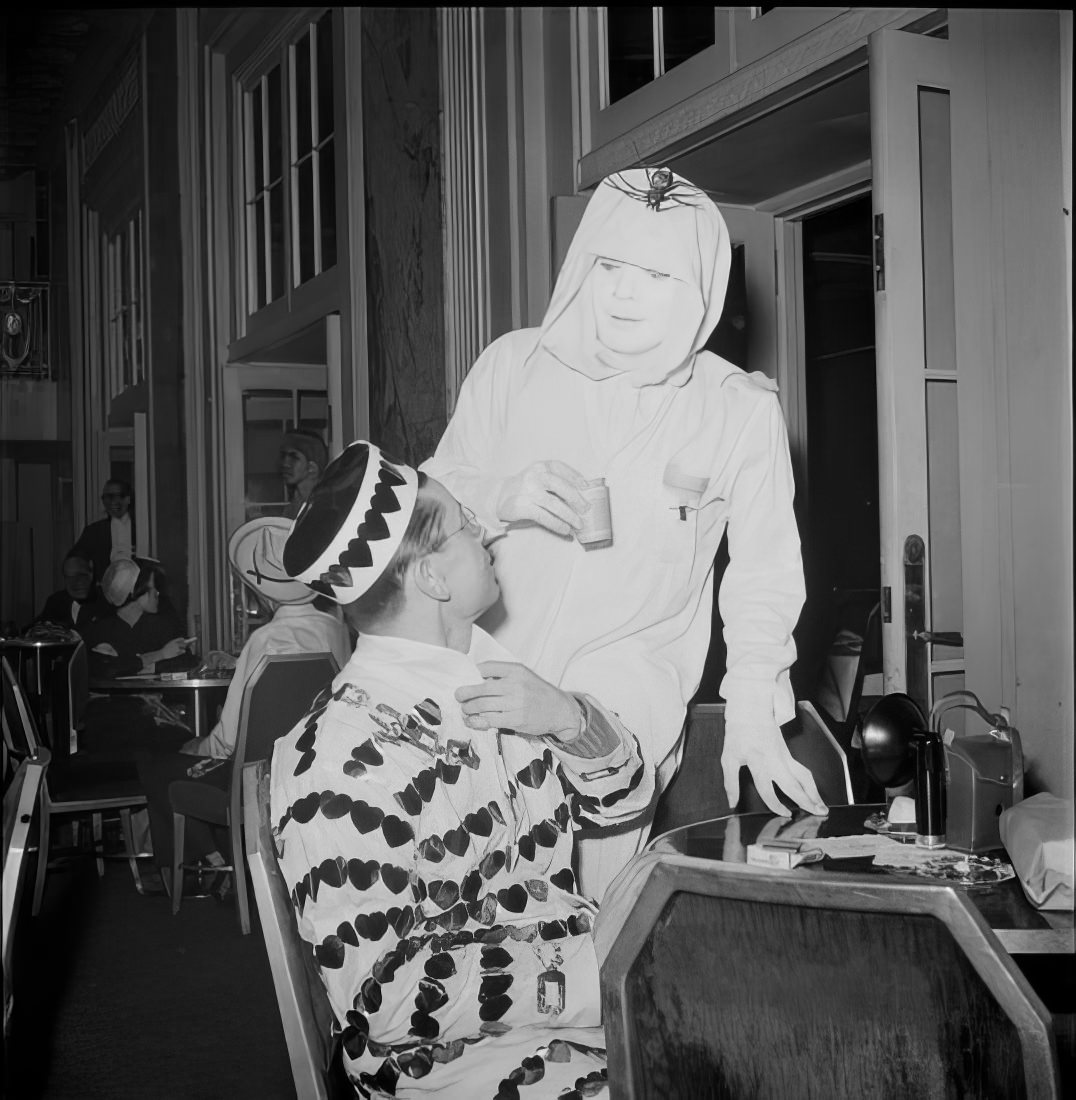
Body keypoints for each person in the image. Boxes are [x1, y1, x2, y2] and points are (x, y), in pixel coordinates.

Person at [423, 166, 827, 900]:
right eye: (610, 266)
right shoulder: (513, 366)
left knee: (587, 925)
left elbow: (765, 571)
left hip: (621, 708)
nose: (624, 292)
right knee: (467, 916)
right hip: (480, 683)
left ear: (698, 287)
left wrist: (753, 707)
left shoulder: (737, 410)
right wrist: (500, 494)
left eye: (656, 275)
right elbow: (431, 504)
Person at [272, 441, 654, 1097]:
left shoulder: (492, 681)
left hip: (568, 1019)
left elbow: (626, 805)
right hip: (450, 1067)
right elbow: (382, 997)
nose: (483, 529)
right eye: (462, 523)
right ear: (432, 579)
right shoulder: (338, 758)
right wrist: (582, 980)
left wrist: (569, 719)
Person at [136, 517, 352, 894]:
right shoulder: (334, 630)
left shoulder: (264, 640)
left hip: (254, 780)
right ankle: (221, 860)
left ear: (262, 593)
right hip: (311, 771)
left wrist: (198, 747)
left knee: (159, 766)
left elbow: (229, 741)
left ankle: (185, 871)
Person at [78, 557, 197, 756]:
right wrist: (157, 656)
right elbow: (104, 669)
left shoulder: (162, 625)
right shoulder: (101, 629)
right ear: (135, 593)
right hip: (114, 723)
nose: (158, 592)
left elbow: (188, 663)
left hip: (153, 720)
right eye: (152, 587)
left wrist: (145, 666)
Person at [70, 479, 136, 582]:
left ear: (127, 499)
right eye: (104, 498)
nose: (107, 502)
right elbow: (74, 560)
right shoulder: (94, 531)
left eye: (112, 496)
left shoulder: (141, 529)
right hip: (104, 593)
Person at [33, 552, 107, 632]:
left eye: (81, 575)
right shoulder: (55, 602)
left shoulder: (106, 604)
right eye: (70, 577)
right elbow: (37, 629)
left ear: (91, 574)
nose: (76, 582)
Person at [278, 428, 329, 519]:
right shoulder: (291, 509)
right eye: (283, 456)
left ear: (312, 468)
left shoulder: (325, 507)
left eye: (294, 457)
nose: (285, 464)